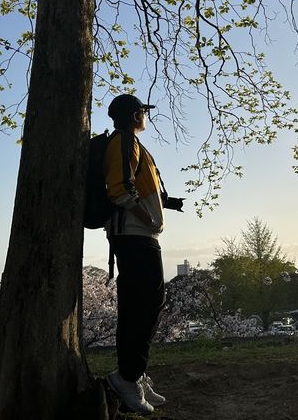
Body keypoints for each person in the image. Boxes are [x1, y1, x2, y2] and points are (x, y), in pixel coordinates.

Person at [103, 93, 183, 415]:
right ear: (136, 115)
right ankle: (126, 376)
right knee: (144, 303)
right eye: (144, 112)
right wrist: (147, 216)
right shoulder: (123, 142)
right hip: (133, 235)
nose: (146, 117)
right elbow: (119, 188)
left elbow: (144, 186)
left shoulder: (134, 144)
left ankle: (135, 374)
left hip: (141, 236)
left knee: (149, 303)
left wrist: (167, 204)